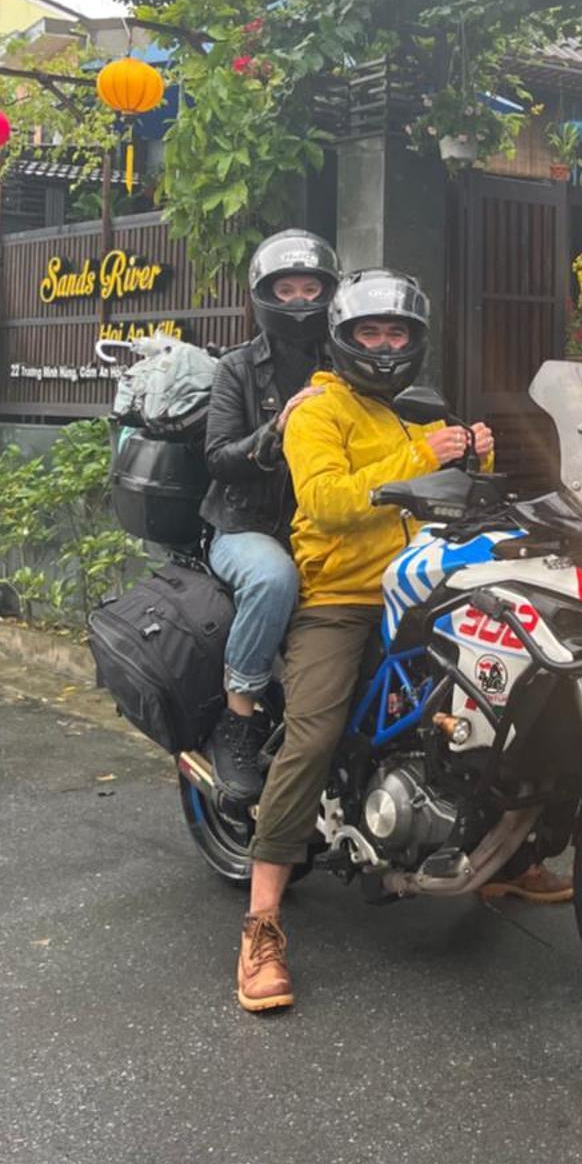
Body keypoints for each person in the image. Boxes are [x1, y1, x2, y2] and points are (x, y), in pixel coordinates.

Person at [235, 269, 566, 1017]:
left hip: (427, 589)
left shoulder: (410, 411)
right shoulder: (319, 410)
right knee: (314, 733)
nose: (384, 346)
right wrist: (427, 453)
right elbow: (328, 498)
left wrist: (471, 457)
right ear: (345, 340)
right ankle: (261, 923)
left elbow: (440, 493)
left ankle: (509, 855)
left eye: (397, 334)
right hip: (344, 596)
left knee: (509, 694)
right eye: (370, 333)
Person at [200, 228, 339, 802]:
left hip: (325, 523)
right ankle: (241, 714)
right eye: (287, 289)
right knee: (274, 576)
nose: (301, 301)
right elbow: (218, 457)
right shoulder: (238, 369)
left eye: (311, 288)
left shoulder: (347, 361)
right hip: (245, 526)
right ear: (264, 295)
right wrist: (276, 429)